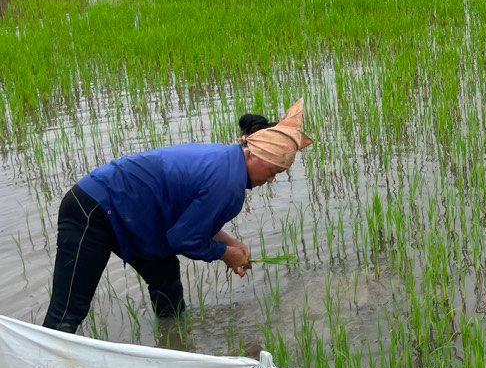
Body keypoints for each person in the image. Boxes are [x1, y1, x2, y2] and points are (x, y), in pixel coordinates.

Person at [41, 99, 313, 334]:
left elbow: (191, 221)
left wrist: (231, 243)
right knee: (68, 310)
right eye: (274, 171)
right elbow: (184, 238)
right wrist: (225, 254)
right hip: (93, 209)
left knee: (165, 280)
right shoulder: (228, 182)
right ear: (256, 154)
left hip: (131, 215)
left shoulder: (227, 162)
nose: (271, 179)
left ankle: (174, 345)